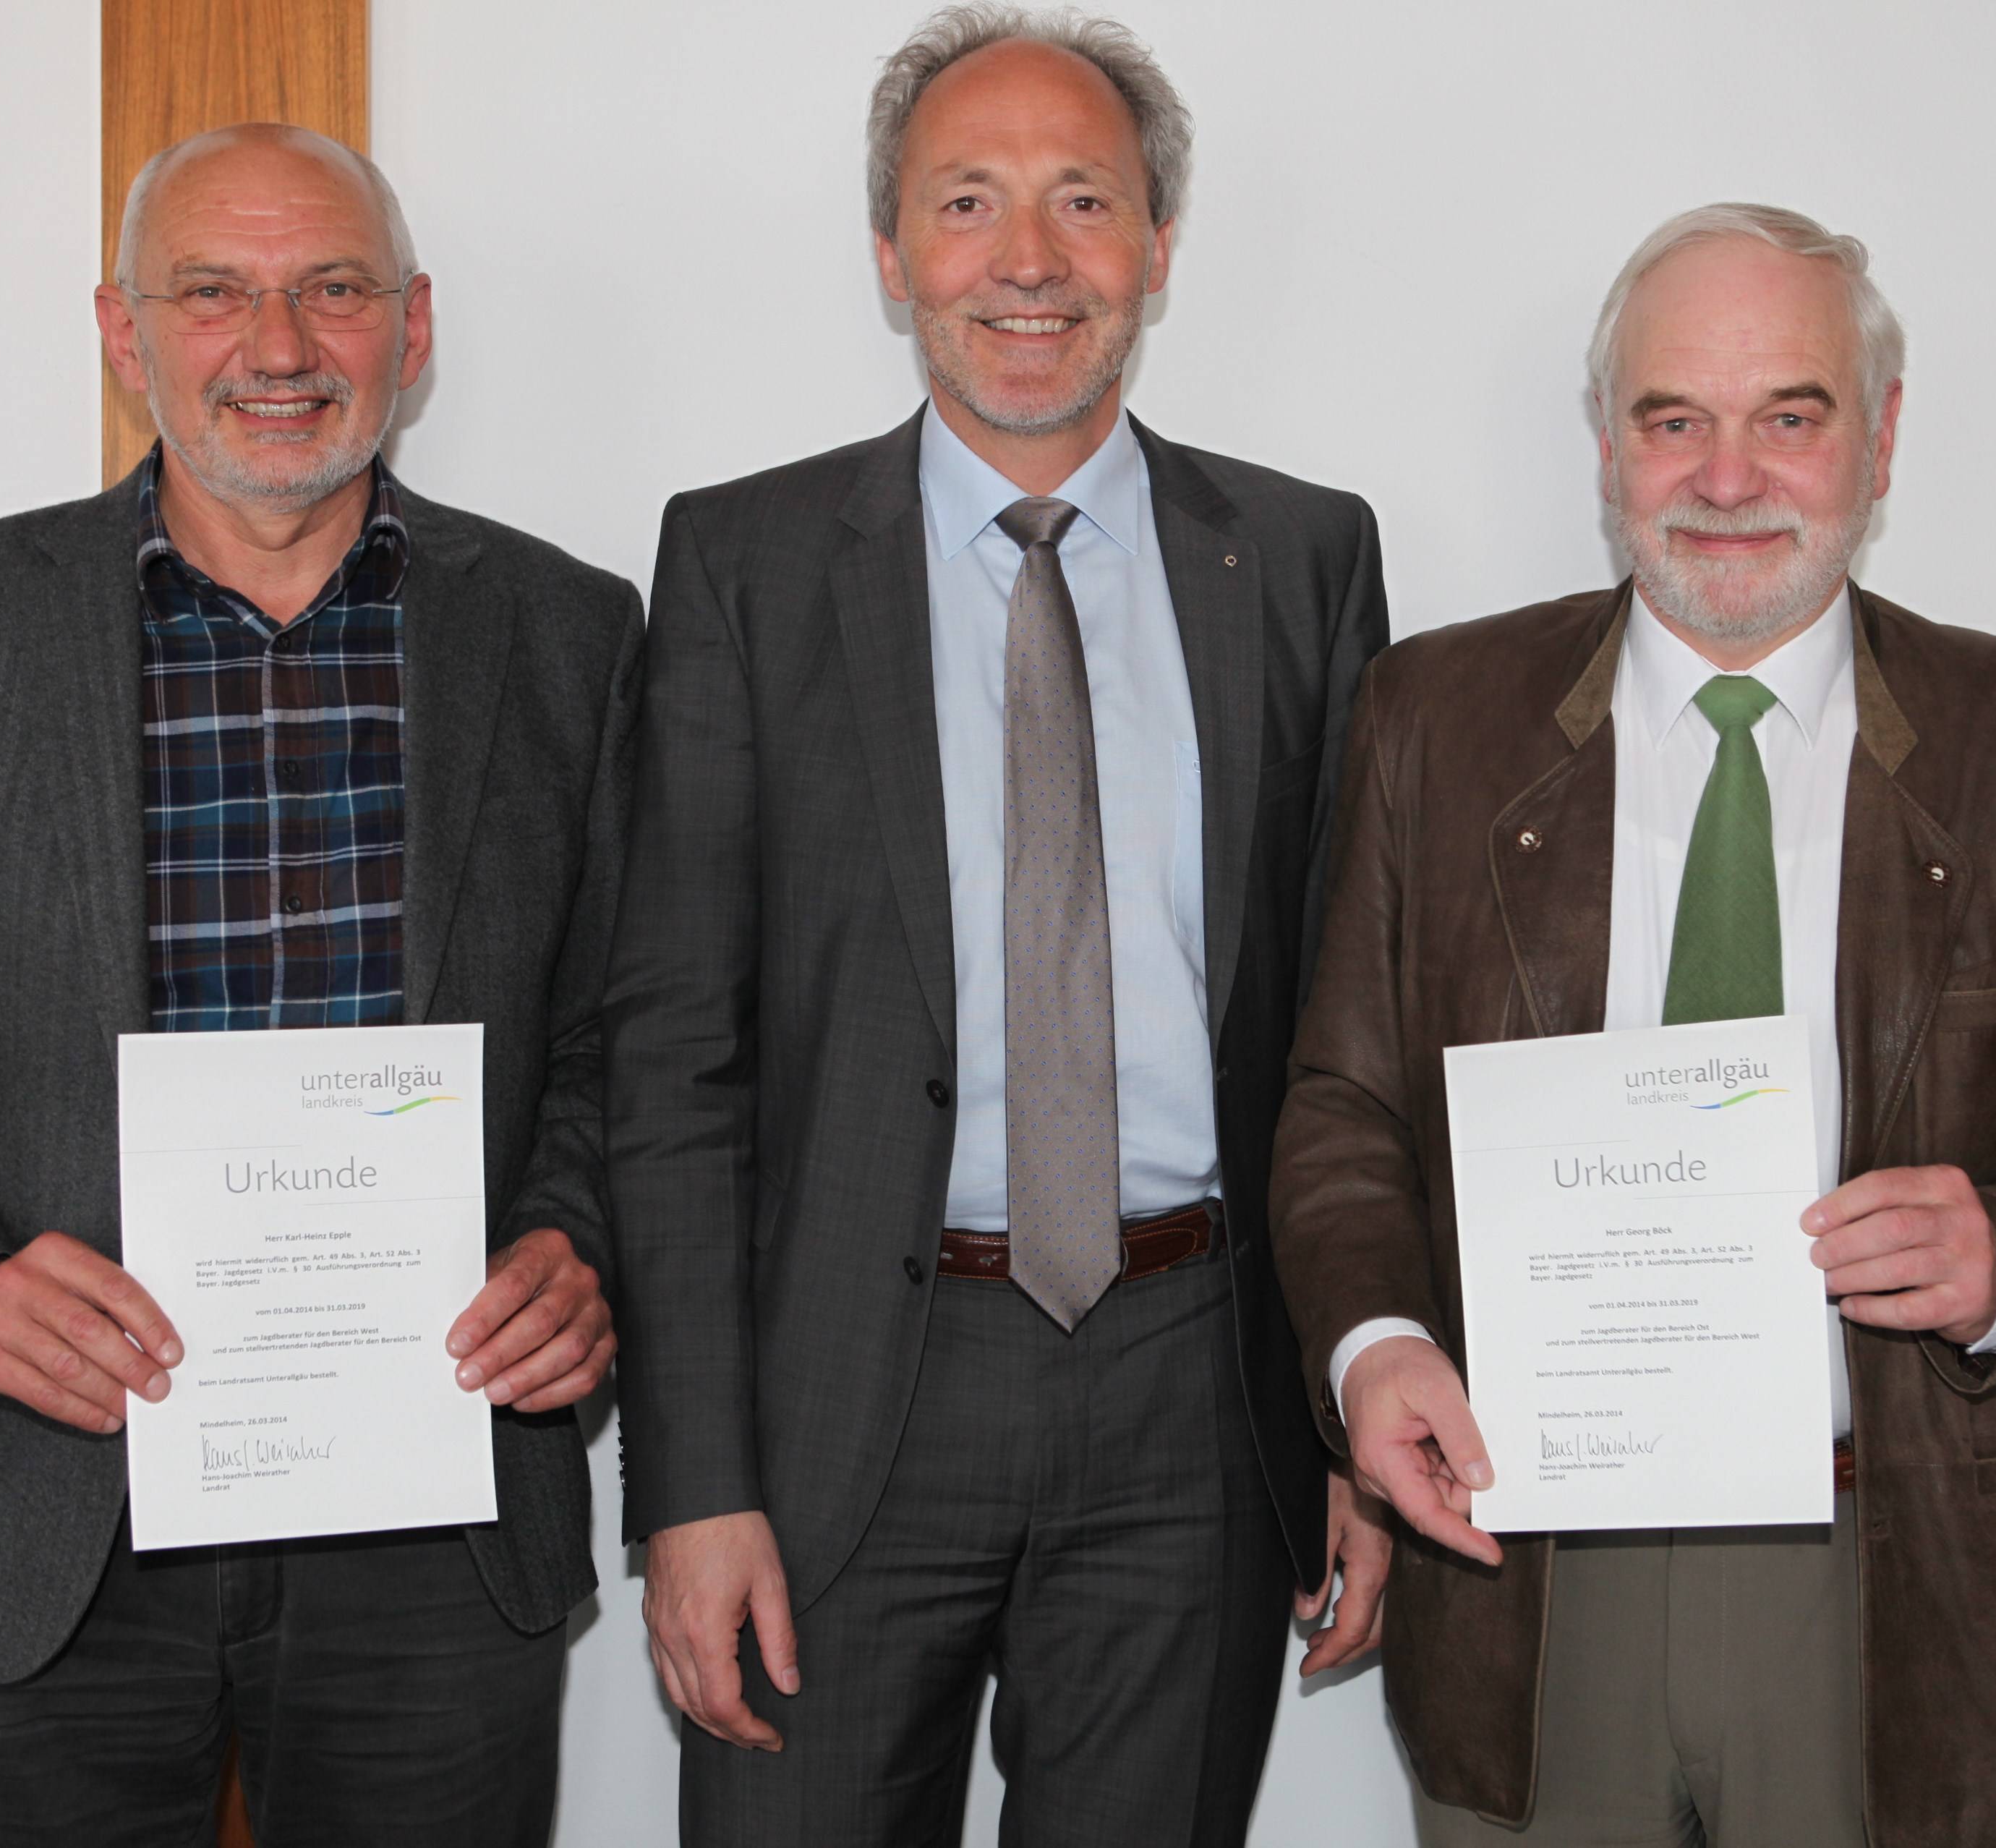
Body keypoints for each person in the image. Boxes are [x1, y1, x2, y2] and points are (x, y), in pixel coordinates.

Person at [1271, 201, 1996, 1848]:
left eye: (1788, 417)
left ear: (1878, 439)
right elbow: (1341, 1107)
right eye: (1676, 420)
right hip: (1532, 1580)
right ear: (1609, 445)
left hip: (1901, 1574)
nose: (1728, 480)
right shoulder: (1433, 720)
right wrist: (1375, 1351)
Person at [0, 123, 639, 1847]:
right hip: (37, 1532)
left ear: (415, 327)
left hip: (432, 1542)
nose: (279, 348)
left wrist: (574, 1239)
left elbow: (621, 1036)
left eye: (334, 289)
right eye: (212, 292)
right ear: (121, 329)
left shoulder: (570, 633)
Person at [605, 8, 1394, 1842]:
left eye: (1083, 203)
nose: (1028, 261)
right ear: (891, 254)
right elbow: (672, 1060)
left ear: (1159, 252)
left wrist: (1354, 1399)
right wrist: (691, 1484)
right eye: (967, 204)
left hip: (1195, 1383)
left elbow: (1354, 1029)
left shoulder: (1300, 560)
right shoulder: (745, 566)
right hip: (839, 1405)